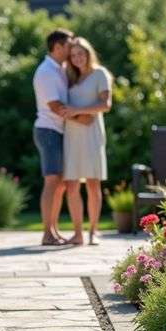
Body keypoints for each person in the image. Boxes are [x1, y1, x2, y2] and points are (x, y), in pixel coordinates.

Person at [32, 29, 93, 246]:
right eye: (68, 46)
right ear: (57, 47)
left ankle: (54, 230)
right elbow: (54, 105)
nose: (71, 49)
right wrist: (81, 118)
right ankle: (47, 233)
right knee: (51, 182)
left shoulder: (59, 68)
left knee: (59, 184)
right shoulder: (46, 72)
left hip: (58, 131)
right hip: (48, 130)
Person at [62, 37, 113, 245]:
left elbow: (106, 105)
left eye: (80, 54)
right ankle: (77, 233)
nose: (77, 58)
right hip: (72, 135)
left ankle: (93, 231)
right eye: (73, 55)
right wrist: (75, 114)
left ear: (88, 53)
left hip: (92, 134)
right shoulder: (70, 77)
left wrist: (78, 111)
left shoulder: (100, 73)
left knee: (93, 184)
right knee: (71, 185)